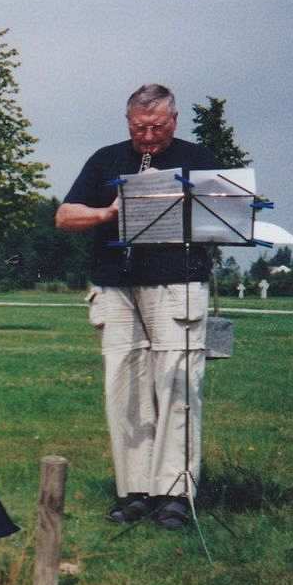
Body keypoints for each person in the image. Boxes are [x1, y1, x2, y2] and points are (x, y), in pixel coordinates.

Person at [55, 84, 217, 530]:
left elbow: (228, 216)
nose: (148, 138)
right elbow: (65, 216)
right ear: (128, 122)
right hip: (117, 288)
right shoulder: (106, 158)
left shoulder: (200, 158)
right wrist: (108, 214)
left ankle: (175, 493)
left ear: (175, 121)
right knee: (124, 390)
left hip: (177, 284)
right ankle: (136, 490)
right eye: (140, 128)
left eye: (158, 128)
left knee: (178, 387)